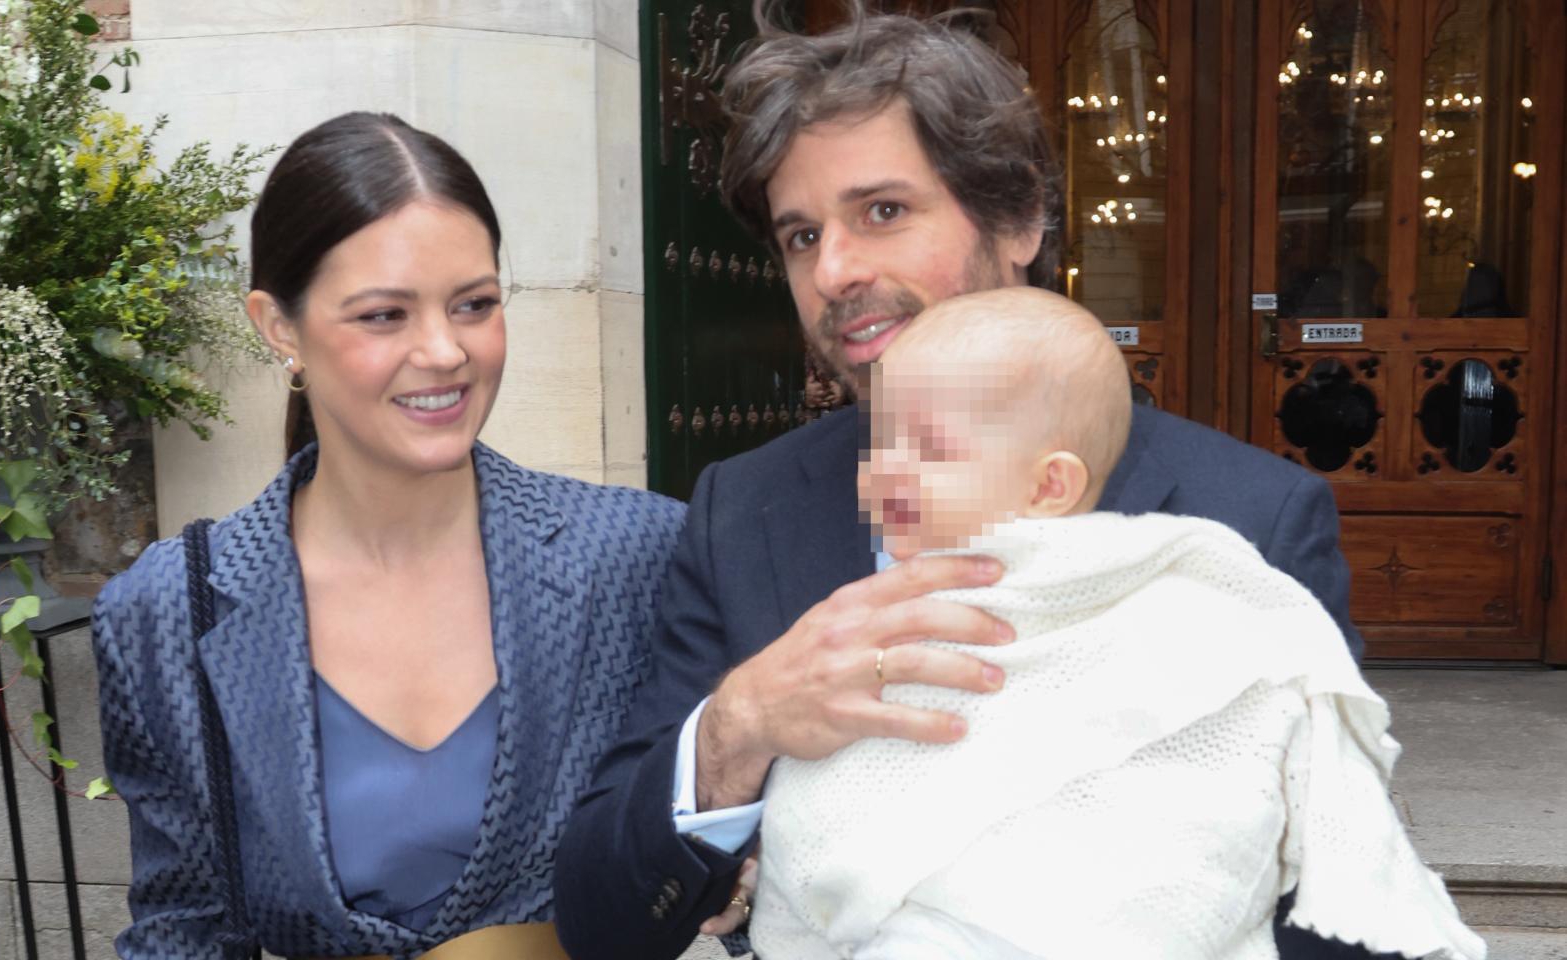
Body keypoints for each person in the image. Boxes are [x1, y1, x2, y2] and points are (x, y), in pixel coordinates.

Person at [554, 8, 1368, 959]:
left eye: (883, 212)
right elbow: (601, 921)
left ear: (1019, 219)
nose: (835, 270)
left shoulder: (1249, 519)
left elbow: (1341, 906)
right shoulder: (745, 512)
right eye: (801, 236)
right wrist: (738, 729)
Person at [91, 112, 685, 959]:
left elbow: (732, 842)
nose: (444, 351)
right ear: (279, 327)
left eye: (474, 304)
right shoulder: (165, 613)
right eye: (383, 316)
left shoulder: (638, 555)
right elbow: (182, 928)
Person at [748, 288, 1484, 960]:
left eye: (929, 450)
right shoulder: (870, 616)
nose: (883, 473)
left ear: (1049, 486)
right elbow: (837, 788)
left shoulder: (1164, 588)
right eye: (880, 445)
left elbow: (1239, 730)